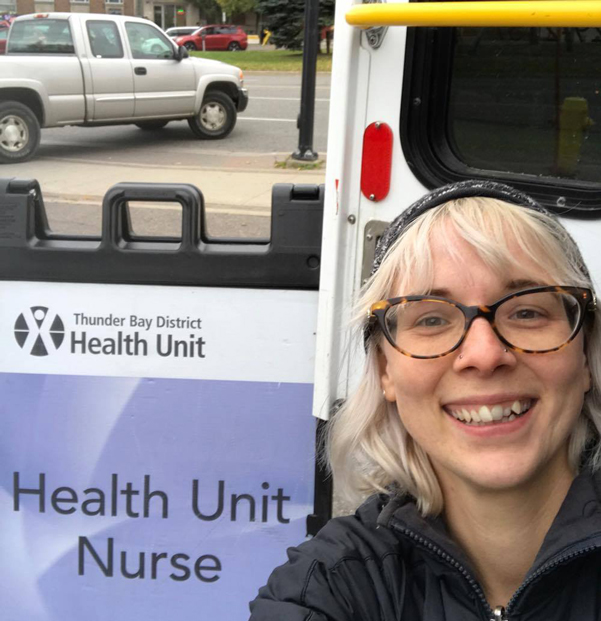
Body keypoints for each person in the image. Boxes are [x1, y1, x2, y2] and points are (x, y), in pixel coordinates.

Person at [248, 179, 601, 620]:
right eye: (432, 319)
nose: (485, 355)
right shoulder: (329, 586)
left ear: (585, 355)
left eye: (527, 311)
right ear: (384, 372)